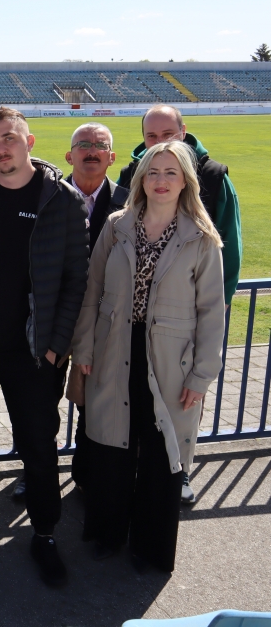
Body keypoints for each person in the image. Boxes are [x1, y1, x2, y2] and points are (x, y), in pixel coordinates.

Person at [0, 107, 88, 588]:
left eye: (8, 138)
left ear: (28, 141)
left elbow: (75, 280)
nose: (0, 148)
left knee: (38, 447)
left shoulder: (60, 199)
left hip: (31, 352)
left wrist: (53, 348)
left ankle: (44, 533)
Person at [72, 140, 225, 573]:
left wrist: (201, 374)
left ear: (185, 182)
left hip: (170, 362)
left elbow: (212, 312)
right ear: (141, 178)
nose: (160, 181)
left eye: (170, 173)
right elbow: (92, 291)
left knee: (161, 455)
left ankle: (151, 547)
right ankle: (107, 534)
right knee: (112, 450)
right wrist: (83, 348)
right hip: (114, 349)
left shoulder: (201, 236)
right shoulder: (117, 225)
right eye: (153, 172)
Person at [116, 104, 241, 503]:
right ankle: (135, 469)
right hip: (133, 326)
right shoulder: (130, 174)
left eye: (168, 134)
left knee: (182, 403)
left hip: (185, 320)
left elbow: (229, 253)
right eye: (151, 137)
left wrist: (213, 318)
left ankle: (180, 472)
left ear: (183, 132)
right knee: (136, 404)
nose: (160, 143)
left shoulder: (215, 176)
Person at [13, 123, 129, 502]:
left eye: (100, 145)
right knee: (40, 407)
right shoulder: (44, 196)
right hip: (51, 322)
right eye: (83, 144)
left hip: (107, 326)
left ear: (112, 157)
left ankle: (86, 474)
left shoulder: (132, 203)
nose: (91, 151)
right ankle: (35, 473)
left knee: (97, 404)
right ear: (69, 155)